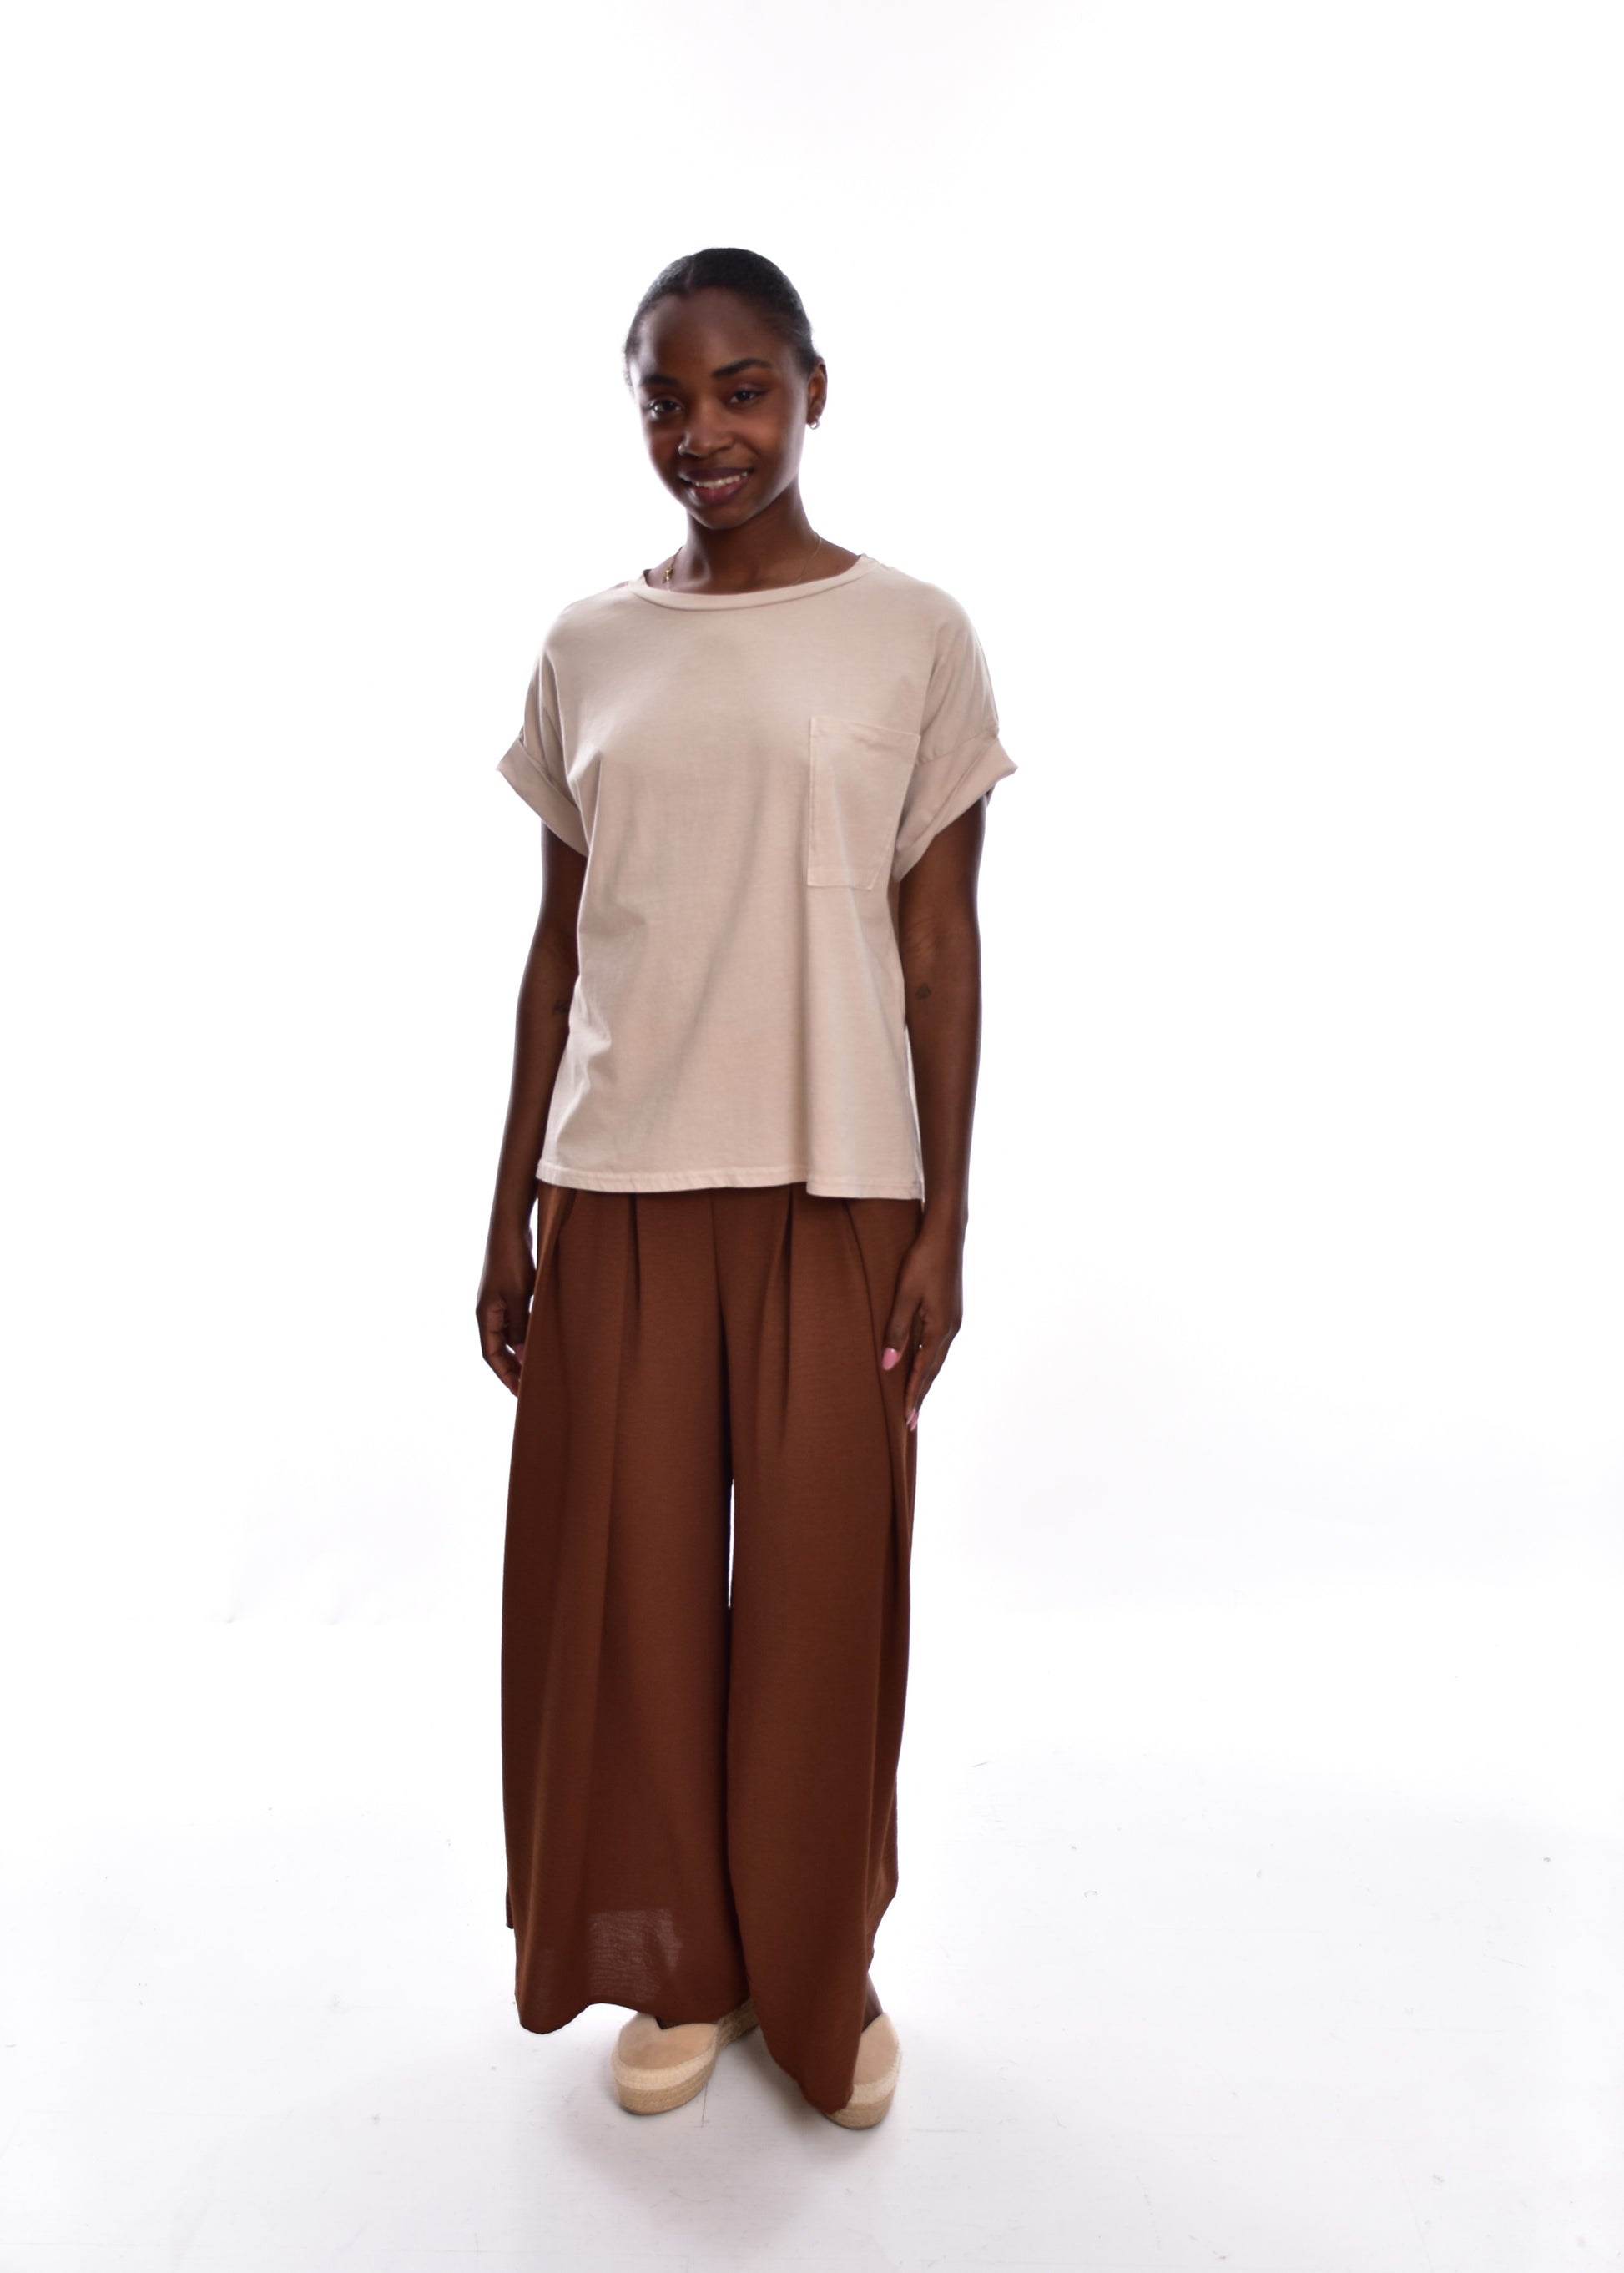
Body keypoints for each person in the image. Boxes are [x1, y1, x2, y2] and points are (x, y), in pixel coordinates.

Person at [476, 246, 1016, 2129]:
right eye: (666, 398)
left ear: (810, 390)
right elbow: (558, 954)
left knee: (816, 1604)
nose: (702, 431)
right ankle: (675, 1964)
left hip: (836, 1185)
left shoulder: (913, 634)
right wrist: (505, 1212)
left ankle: (813, 1972)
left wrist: (944, 1222)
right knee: (625, 1612)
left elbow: (938, 952)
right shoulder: (587, 646)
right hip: (619, 1181)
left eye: (740, 389)